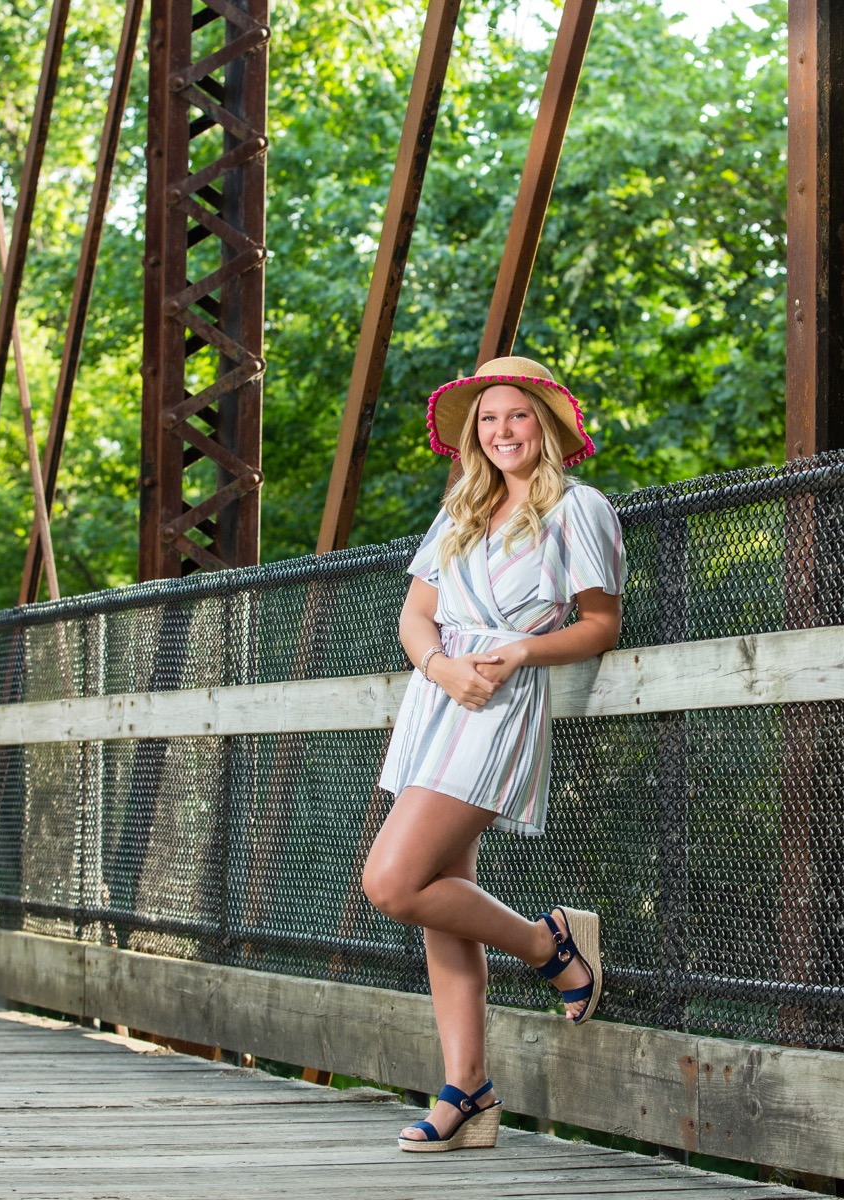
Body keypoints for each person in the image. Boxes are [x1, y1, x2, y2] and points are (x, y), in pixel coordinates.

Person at [361, 355, 627, 1153]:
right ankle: (466, 1090)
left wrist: (515, 656)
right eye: (488, 418)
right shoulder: (462, 511)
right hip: (437, 701)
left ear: (543, 426)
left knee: (393, 881)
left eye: (516, 415)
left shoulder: (579, 509)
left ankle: (554, 946)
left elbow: (599, 624)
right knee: (441, 897)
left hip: (502, 705)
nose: (502, 430)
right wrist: (441, 667)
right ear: (473, 434)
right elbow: (416, 615)